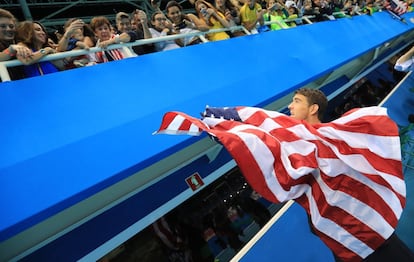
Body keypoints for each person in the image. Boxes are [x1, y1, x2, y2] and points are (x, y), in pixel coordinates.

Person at [156, 88, 414, 261]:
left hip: (372, 236)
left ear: (313, 109)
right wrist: (228, 131)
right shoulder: (292, 142)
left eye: (297, 102)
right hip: (341, 240)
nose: (290, 106)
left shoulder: (333, 138)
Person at [0, 8, 31, 80]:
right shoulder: (13, 47)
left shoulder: (20, 42)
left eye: (11, 26)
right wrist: (11, 50)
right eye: (3, 26)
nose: (8, 29)